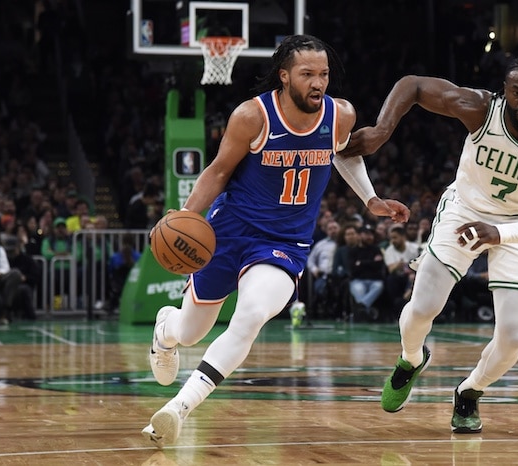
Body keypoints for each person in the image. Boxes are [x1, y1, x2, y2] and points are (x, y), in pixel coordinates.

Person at [141, 34, 409, 448]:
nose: (317, 82)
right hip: (228, 232)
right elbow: (216, 172)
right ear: (284, 77)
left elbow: (343, 153)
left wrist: (370, 198)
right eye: (307, 74)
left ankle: (179, 406)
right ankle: (167, 328)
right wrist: (183, 218)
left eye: (323, 74)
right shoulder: (252, 116)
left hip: (285, 242)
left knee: (251, 314)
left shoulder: (341, 114)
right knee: (192, 331)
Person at [340, 55, 518, 433]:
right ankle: (410, 358)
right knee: (422, 308)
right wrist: (382, 129)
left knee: (512, 340)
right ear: (504, 91)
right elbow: (414, 84)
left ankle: (470, 391)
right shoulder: (480, 108)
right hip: (465, 209)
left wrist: (499, 233)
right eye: (517, 92)